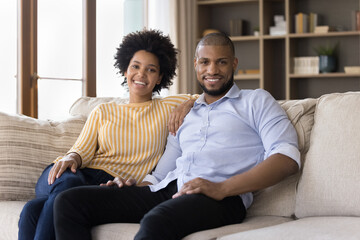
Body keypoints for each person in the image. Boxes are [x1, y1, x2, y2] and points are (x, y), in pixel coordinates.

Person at [53, 32, 301, 240]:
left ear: (234, 64)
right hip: (168, 188)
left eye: (221, 62)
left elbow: (286, 158)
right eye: (205, 62)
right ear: (196, 65)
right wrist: (128, 188)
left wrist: (222, 188)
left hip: (221, 199)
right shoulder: (185, 113)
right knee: (69, 201)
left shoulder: (256, 101)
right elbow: (160, 174)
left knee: (156, 222)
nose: (212, 70)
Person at [18, 29, 196, 240]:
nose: (141, 74)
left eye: (150, 70)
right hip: (72, 173)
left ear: (159, 78)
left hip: (109, 185)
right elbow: (80, 150)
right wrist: (71, 157)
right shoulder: (103, 110)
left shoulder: (168, 107)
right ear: (125, 70)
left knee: (32, 210)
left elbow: (211, 96)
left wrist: (188, 104)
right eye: (135, 66)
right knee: (68, 187)